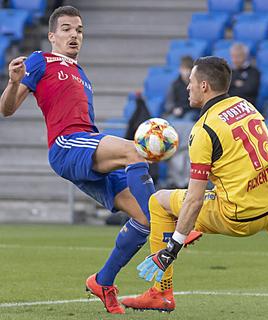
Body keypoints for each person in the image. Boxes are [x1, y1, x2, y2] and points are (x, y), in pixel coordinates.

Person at [0, 5, 202, 315]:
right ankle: (169, 231)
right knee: (135, 150)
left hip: (85, 147)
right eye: (67, 29)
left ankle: (103, 281)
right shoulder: (41, 61)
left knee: (144, 220)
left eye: (79, 30)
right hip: (68, 145)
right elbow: (7, 110)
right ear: (52, 35)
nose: (74, 35)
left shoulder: (81, 73)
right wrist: (13, 82)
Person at [121, 56, 268, 312]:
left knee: (158, 202)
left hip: (238, 218)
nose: (187, 88)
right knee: (250, 188)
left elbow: (194, 199)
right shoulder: (245, 106)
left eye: (191, 82)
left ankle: (162, 292)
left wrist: (172, 248)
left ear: (204, 86)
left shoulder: (203, 130)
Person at [164, 55, 200, 121]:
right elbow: (169, 103)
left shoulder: (196, 84)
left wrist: (184, 109)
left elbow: (198, 102)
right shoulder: (175, 84)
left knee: (188, 118)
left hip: (192, 111)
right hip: (177, 111)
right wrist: (174, 109)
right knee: (170, 120)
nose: (187, 72)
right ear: (180, 69)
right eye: (184, 69)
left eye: (188, 69)